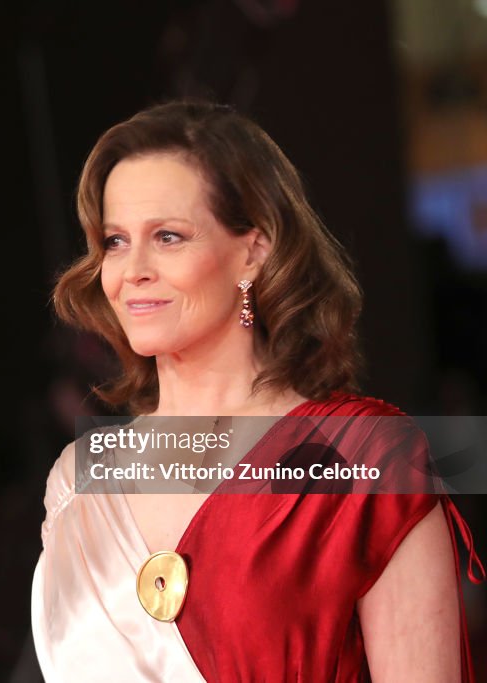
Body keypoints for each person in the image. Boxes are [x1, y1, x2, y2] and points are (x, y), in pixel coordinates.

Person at [31, 100, 484, 681]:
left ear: (253, 249)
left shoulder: (367, 458)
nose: (132, 270)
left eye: (168, 236)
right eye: (115, 241)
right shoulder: (75, 483)